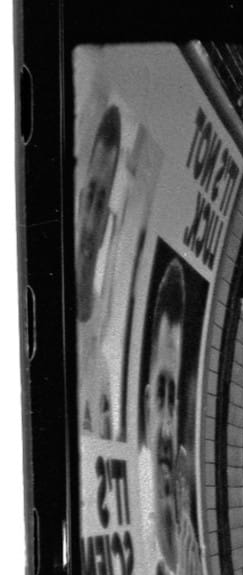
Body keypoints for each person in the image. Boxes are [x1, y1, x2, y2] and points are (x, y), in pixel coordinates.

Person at [141, 256, 207, 575]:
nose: (167, 419)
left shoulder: (188, 532)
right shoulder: (136, 512)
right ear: (148, 401)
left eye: (173, 396)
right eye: (160, 393)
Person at [77, 107, 121, 436]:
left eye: (101, 200)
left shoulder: (100, 362)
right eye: (91, 194)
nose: (92, 216)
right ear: (79, 202)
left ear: (107, 220)